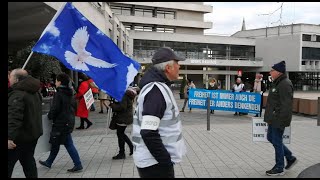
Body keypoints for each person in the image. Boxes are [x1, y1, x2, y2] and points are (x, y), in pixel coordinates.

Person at [131, 47, 187, 178]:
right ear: (168, 68)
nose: (179, 66)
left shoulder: (157, 87)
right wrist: (165, 162)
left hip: (153, 161)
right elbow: (148, 132)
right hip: (155, 165)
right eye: (177, 63)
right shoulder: (156, 90)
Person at [38, 73, 83, 172]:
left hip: (61, 122)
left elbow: (55, 108)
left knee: (68, 144)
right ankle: (49, 162)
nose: (55, 82)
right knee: (56, 142)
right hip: (68, 121)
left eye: (56, 80)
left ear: (60, 82)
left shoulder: (59, 93)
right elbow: (74, 106)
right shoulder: (70, 92)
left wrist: (50, 116)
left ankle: (78, 164)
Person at [264, 60, 297, 176]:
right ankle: (290, 157)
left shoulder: (285, 84)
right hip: (273, 118)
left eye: (272, 70)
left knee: (277, 141)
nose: (270, 72)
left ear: (278, 72)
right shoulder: (277, 82)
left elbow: (286, 105)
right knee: (271, 138)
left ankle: (279, 167)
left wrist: (281, 121)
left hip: (278, 119)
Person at [8, 69, 43, 178]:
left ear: (16, 79)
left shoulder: (18, 94)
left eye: (10, 77)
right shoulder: (34, 91)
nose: (9, 79)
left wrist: (9, 137)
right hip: (31, 135)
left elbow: (14, 118)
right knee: (28, 162)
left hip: (18, 138)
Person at [109, 87, 136, 160]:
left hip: (123, 117)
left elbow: (122, 107)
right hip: (125, 117)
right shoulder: (125, 94)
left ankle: (122, 153)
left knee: (120, 134)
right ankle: (130, 147)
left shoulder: (123, 95)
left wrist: (113, 105)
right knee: (121, 133)